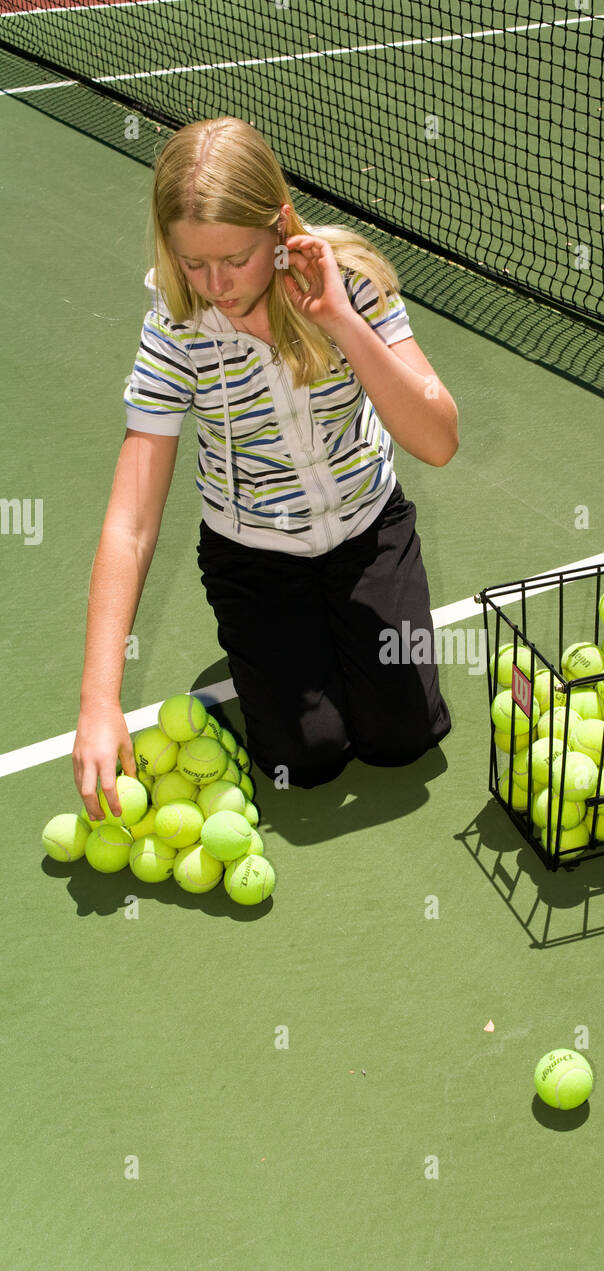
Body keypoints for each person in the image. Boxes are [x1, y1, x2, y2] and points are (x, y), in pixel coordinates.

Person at [73, 117, 457, 820]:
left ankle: (319, 645)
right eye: (193, 263)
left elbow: (438, 441)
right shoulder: (176, 327)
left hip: (370, 533)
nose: (215, 283)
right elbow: (130, 522)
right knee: (304, 759)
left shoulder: (354, 281)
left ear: (279, 226)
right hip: (254, 556)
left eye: (235, 259)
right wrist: (99, 700)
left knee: (402, 738)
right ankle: (277, 646)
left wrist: (341, 320)